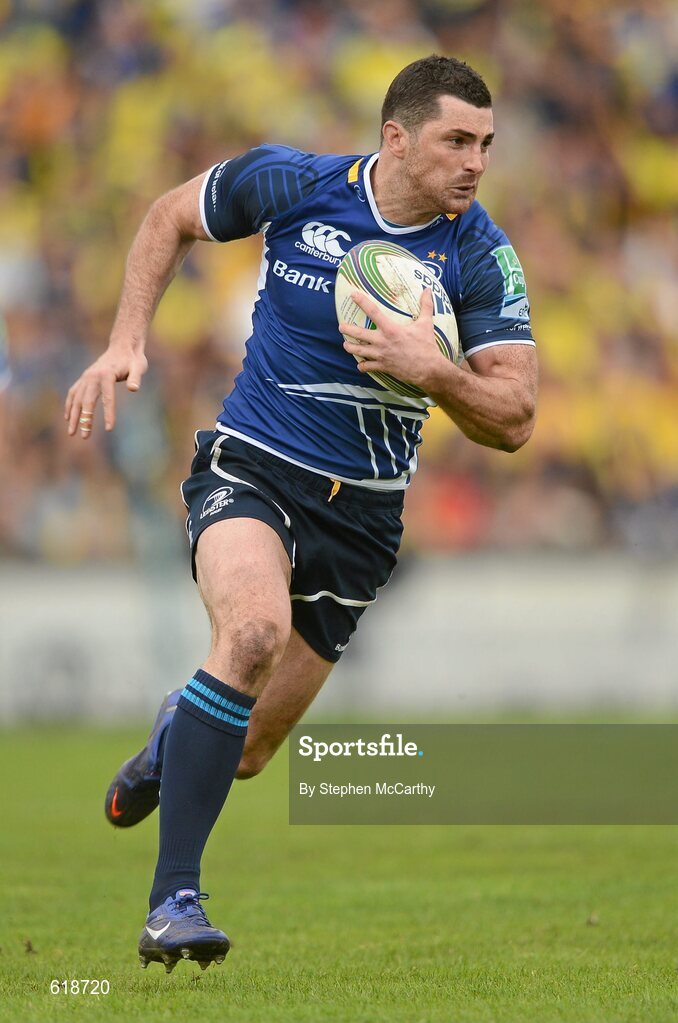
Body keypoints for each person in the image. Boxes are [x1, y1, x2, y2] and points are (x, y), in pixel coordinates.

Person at [65, 54, 538, 972]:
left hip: (362, 521)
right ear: (396, 138)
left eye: (486, 143)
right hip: (253, 467)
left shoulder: (481, 254)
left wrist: (430, 367)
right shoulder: (294, 184)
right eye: (456, 140)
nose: (476, 161)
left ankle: (176, 736)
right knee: (250, 633)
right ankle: (174, 902)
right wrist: (127, 340)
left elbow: (515, 419)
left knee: (245, 749)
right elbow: (170, 216)